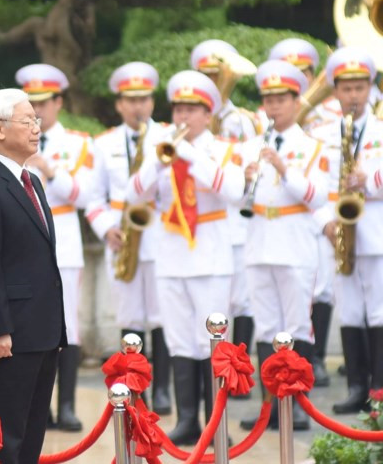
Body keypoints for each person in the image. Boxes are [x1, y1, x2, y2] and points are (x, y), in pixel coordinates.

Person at [125, 70, 244, 445]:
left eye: (192, 109)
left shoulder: (223, 148)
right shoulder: (161, 148)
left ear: (208, 115)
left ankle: (215, 422)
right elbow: (133, 195)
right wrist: (158, 163)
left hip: (210, 256)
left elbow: (235, 192)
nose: (183, 116)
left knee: (212, 342)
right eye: (178, 108)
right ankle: (188, 418)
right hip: (172, 255)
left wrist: (189, 156)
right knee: (179, 341)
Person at [0, 88, 67, 464]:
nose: (36, 128)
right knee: (2, 441)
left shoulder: (33, 181)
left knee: (30, 437)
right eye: (27, 121)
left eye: (36, 120)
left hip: (40, 331)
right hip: (7, 335)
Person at [237, 60, 328, 432]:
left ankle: (299, 405)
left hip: (294, 243)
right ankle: (270, 406)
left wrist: (285, 168)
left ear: (296, 101)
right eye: (268, 99)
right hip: (259, 241)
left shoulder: (311, 146)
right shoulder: (250, 146)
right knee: (266, 327)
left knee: (296, 325)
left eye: (281, 99)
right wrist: (245, 182)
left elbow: (317, 195)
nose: (273, 106)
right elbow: (237, 201)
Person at [85, 61, 171, 414]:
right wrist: (107, 228)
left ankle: (164, 389)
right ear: (119, 104)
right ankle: (138, 389)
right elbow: (93, 198)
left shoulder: (168, 138)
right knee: (130, 317)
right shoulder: (103, 144)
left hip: (161, 236)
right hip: (123, 239)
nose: (138, 106)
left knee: (163, 317)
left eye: (144, 99)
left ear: (152, 102)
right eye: (130, 100)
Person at [14, 63, 95, 431]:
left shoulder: (77, 142)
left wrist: (48, 169)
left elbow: (83, 195)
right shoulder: (11, 137)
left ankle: (67, 407)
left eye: (45, 102)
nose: (39, 110)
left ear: (59, 102)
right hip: (24, 242)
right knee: (30, 326)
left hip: (63, 239)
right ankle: (37, 407)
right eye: (32, 103)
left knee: (68, 327)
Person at [310, 46, 383, 415]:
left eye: (360, 87)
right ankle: (357, 386)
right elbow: (315, 186)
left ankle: (379, 388)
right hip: (339, 233)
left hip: (376, 231)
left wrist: (368, 180)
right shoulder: (322, 134)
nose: (353, 96)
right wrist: (326, 221)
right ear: (335, 91)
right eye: (346, 89)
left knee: (380, 312)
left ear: (371, 87)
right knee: (350, 311)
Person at [268, 37, 334, 387]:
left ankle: (313, 367)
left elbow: (320, 187)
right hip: (272, 230)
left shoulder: (324, 124)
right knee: (271, 316)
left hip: (313, 219)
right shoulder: (262, 129)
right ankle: (273, 395)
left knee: (315, 296)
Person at [190, 39, 257, 355]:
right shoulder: (189, 123)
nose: (213, 83)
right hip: (207, 220)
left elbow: (247, 167)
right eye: (205, 76)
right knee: (214, 303)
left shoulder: (241, 120)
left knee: (241, 298)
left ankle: (239, 364)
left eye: (217, 76)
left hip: (235, 218)